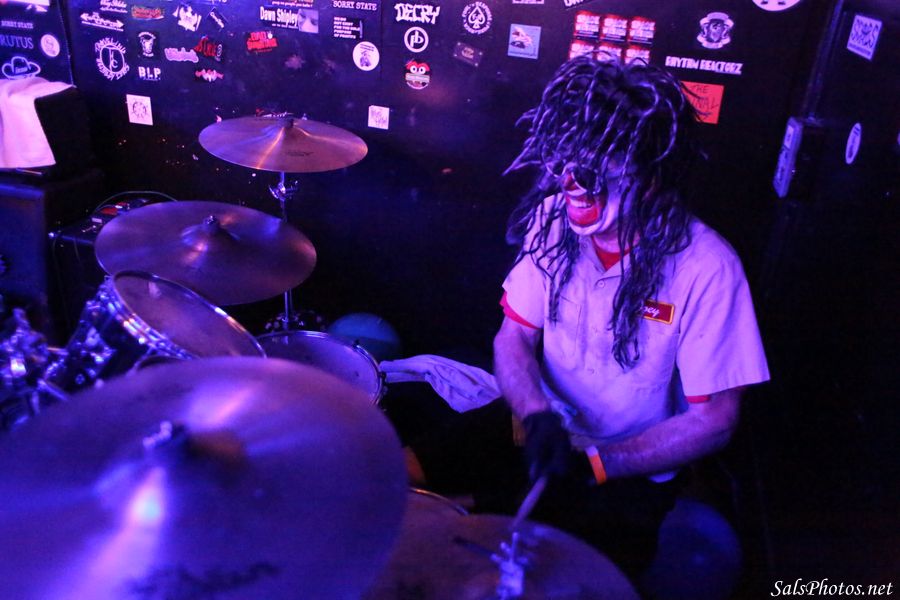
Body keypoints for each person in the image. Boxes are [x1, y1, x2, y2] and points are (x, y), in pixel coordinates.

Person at [491, 54, 770, 577]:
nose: (573, 182)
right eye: (567, 162)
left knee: (582, 577)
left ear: (651, 176)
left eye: (597, 167)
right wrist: (535, 414)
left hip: (631, 466)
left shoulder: (708, 266)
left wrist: (601, 464)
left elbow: (714, 420)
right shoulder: (552, 222)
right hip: (541, 435)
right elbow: (513, 338)